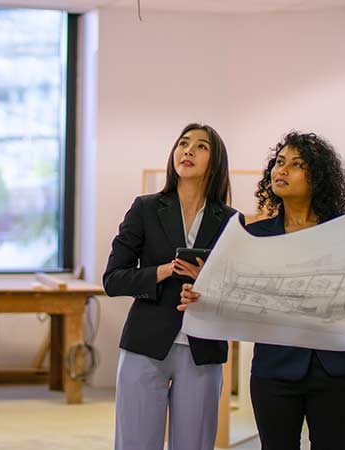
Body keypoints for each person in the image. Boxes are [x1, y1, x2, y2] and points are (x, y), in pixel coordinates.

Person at [178, 131, 345, 450]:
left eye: (296, 164)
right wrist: (200, 296)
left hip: (336, 369)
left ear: (319, 177)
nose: (282, 170)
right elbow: (230, 295)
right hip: (274, 371)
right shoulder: (254, 236)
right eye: (279, 162)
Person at [103, 123, 239, 450]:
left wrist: (208, 283)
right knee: (135, 443)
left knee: (195, 444)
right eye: (183, 143)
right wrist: (164, 271)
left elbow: (239, 290)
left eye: (201, 146)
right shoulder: (145, 208)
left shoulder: (232, 221)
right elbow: (113, 279)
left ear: (216, 161)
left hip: (203, 347)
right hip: (145, 343)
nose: (188, 150)